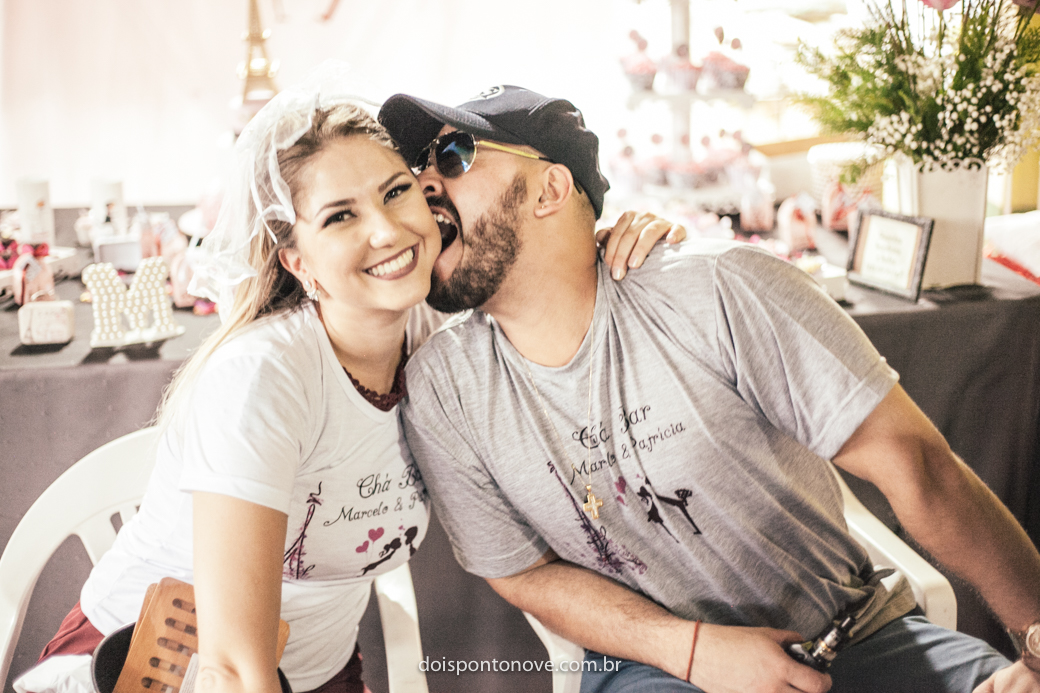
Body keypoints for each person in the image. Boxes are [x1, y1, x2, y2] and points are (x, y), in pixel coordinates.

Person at [12, 72, 680, 693]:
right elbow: (233, 664)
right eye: (340, 216)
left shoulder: (441, 356)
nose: (387, 230)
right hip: (150, 671)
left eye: (396, 192)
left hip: (320, 673)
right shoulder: (264, 377)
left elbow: (545, 290)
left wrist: (616, 240)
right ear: (298, 260)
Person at [382, 85, 1040, 693]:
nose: (423, 180)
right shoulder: (444, 386)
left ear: (550, 188)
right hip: (650, 663)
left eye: (454, 153)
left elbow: (918, 467)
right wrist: (694, 650)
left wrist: (1037, 648)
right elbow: (520, 569)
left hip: (854, 635)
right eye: (418, 164)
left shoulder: (718, 289)